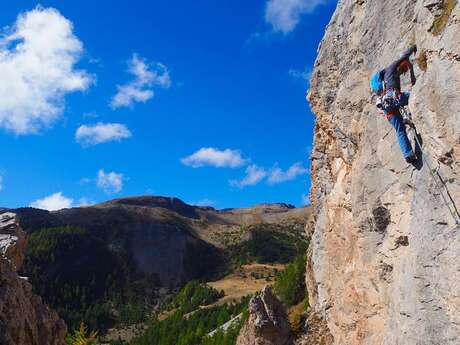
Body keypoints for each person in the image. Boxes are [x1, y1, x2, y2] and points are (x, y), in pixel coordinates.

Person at [370, 45, 418, 164]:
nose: (404, 70)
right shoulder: (391, 68)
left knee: (400, 130)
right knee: (415, 95)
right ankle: (409, 117)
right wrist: (413, 48)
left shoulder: (380, 87)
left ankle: (408, 154)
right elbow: (404, 56)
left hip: (388, 110)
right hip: (395, 98)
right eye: (404, 68)